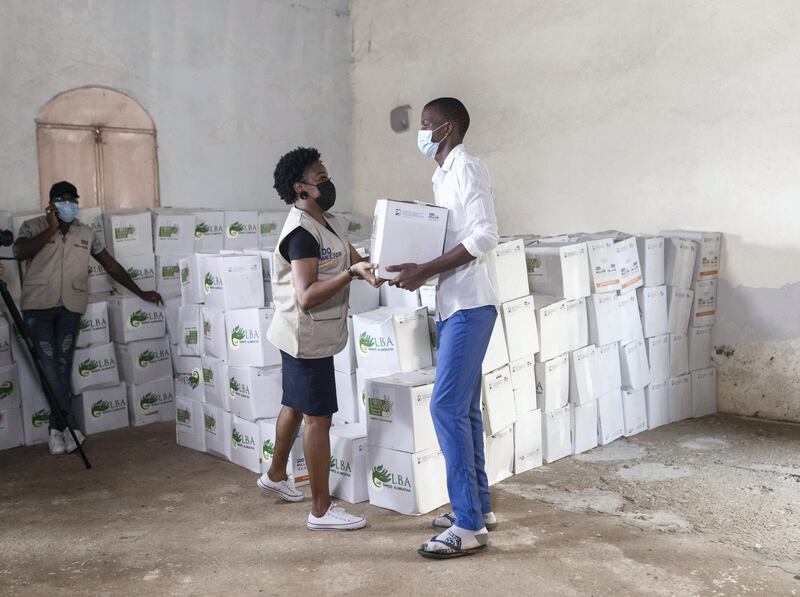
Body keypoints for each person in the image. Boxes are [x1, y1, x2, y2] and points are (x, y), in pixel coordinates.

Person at [385, 98, 500, 559]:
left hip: (471, 306)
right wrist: (416, 271)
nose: (422, 132)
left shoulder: (467, 167)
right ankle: (480, 509)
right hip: (454, 305)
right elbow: (450, 243)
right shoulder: (442, 174)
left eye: (427, 125)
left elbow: (484, 237)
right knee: (465, 411)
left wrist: (426, 267)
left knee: (444, 408)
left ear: (447, 128)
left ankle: (468, 526)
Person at [259, 147, 381, 531]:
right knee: (318, 419)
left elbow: (354, 258)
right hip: (305, 335)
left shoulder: (328, 222)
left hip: (312, 333)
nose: (328, 184)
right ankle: (321, 510)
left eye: (327, 177)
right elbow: (307, 294)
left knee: (294, 405)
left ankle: (275, 475)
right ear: (301, 188)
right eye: (321, 179)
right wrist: (351, 275)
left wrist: (376, 268)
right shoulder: (301, 235)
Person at [13, 181, 162, 456]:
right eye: (62, 200)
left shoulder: (86, 232)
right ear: (51, 204)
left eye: (72, 200)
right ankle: (67, 426)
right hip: (38, 309)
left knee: (62, 365)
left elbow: (111, 265)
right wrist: (52, 229)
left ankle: (56, 432)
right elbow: (19, 252)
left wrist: (140, 292)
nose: (68, 204)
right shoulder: (33, 227)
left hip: (70, 308)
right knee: (49, 368)